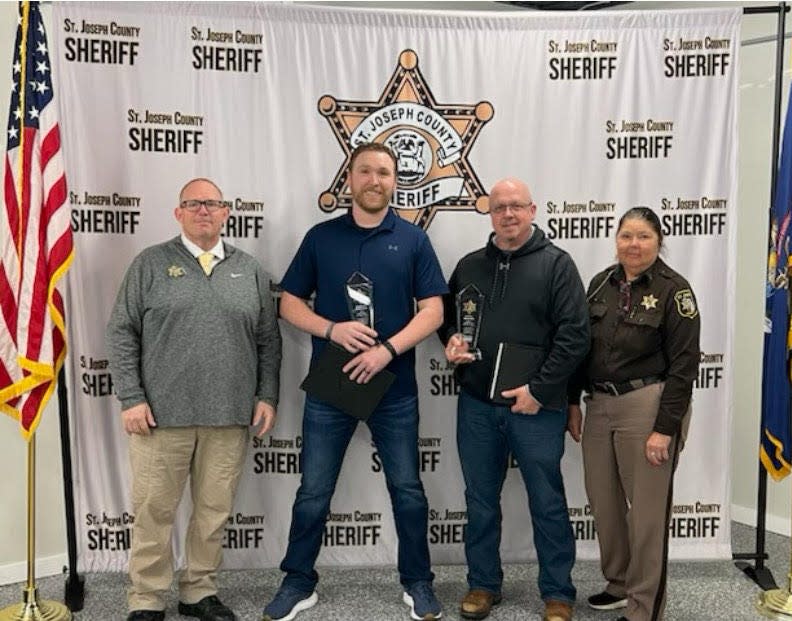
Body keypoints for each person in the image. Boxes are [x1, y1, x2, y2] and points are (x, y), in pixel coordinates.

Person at [262, 142, 449, 621]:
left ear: (394, 181)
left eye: (384, 172)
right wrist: (331, 328)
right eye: (365, 170)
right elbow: (288, 301)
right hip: (333, 385)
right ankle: (299, 581)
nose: (374, 180)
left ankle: (418, 582)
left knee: (408, 489)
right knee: (313, 491)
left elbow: (433, 310)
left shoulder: (413, 240)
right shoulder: (321, 237)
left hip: (394, 385)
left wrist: (387, 349)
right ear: (349, 178)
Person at [106, 178, 281, 621]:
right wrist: (131, 397)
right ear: (178, 212)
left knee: (213, 511)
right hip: (160, 418)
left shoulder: (251, 270)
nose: (204, 210)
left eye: (213, 203)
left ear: (226, 213)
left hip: (229, 416)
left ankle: (198, 591)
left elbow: (268, 340)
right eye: (194, 203)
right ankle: (146, 597)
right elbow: (121, 331)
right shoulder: (150, 264)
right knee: (153, 510)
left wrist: (266, 395)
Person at [439, 177, 589, 621]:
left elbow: (575, 336)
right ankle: (483, 584)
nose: (508, 214)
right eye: (500, 206)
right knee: (480, 500)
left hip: (537, 409)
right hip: (478, 405)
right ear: (489, 212)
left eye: (516, 206)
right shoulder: (468, 265)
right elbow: (446, 319)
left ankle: (558, 593)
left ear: (533, 210)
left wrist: (539, 391)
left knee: (547, 500)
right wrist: (449, 341)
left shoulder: (558, 265)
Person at [567, 206, 700, 621]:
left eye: (643, 236)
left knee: (644, 513)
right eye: (626, 235)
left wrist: (665, 429)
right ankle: (619, 583)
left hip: (648, 406)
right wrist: (573, 400)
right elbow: (579, 348)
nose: (633, 244)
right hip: (599, 404)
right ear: (615, 239)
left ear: (659, 240)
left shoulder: (674, 291)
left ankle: (645, 605)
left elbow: (684, 367)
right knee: (604, 504)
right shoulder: (599, 284)